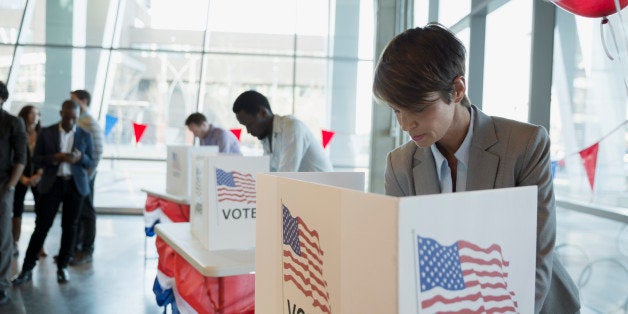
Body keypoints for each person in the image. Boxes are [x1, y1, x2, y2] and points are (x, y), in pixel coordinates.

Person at [373, 24, 580, 313]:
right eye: (397, 110)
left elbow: (534, 256)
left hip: (529, 302)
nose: (406, 124)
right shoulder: (400, 165)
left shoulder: (524, 145)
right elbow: (404, 260)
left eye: (419, 108)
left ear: (457, 89)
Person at [13, 100, 93, 285]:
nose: (70, 121)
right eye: (67, 117)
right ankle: (26, 269)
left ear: (77, 116)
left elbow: (90, 161)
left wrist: (80, 158)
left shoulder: (84, 135)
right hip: (51, 185)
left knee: (70, 228)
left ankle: (62, 267)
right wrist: (54, 158)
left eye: (74, 118)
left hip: (75, 185)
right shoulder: (46, 132)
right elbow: (37, 160)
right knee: (42, 226)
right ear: (61, 113)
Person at [232, 90, 333, 172]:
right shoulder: (266, 137)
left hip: (324, 193)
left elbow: (286, 175)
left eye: (250, 124)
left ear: (263, 113)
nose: (248, 131)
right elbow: (270, 174)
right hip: (305, 191)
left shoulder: (292, 127)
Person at [69, 90, 103, 265]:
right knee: (78, 213)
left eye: (74, 100)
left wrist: (88, 174)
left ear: (83, 101)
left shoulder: (89, 121)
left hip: (86, 175)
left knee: (87, 213)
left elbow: (97, 150)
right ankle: (74, 248)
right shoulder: (79, 120)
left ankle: (86, 249)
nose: (71, 103)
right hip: (78, 175)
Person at [0, 81, 26, 304]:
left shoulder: (12, 122)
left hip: (2, 184)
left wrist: (9, 187)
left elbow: (21, 158)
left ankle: (1, 285)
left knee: (2, 237)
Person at [13, 105, 46, 258]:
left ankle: (39, 245)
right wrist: (21, 177)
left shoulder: (43, 134)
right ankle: (14, 243)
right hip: (20, 176)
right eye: (32, 113)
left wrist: (38, 175)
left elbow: (47, 157)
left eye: (37, 113)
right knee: (16, 210)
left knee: (41, 211)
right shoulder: (18, 132)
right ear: (25, 115)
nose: (35, 116)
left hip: (38, 177)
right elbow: (12, 156)